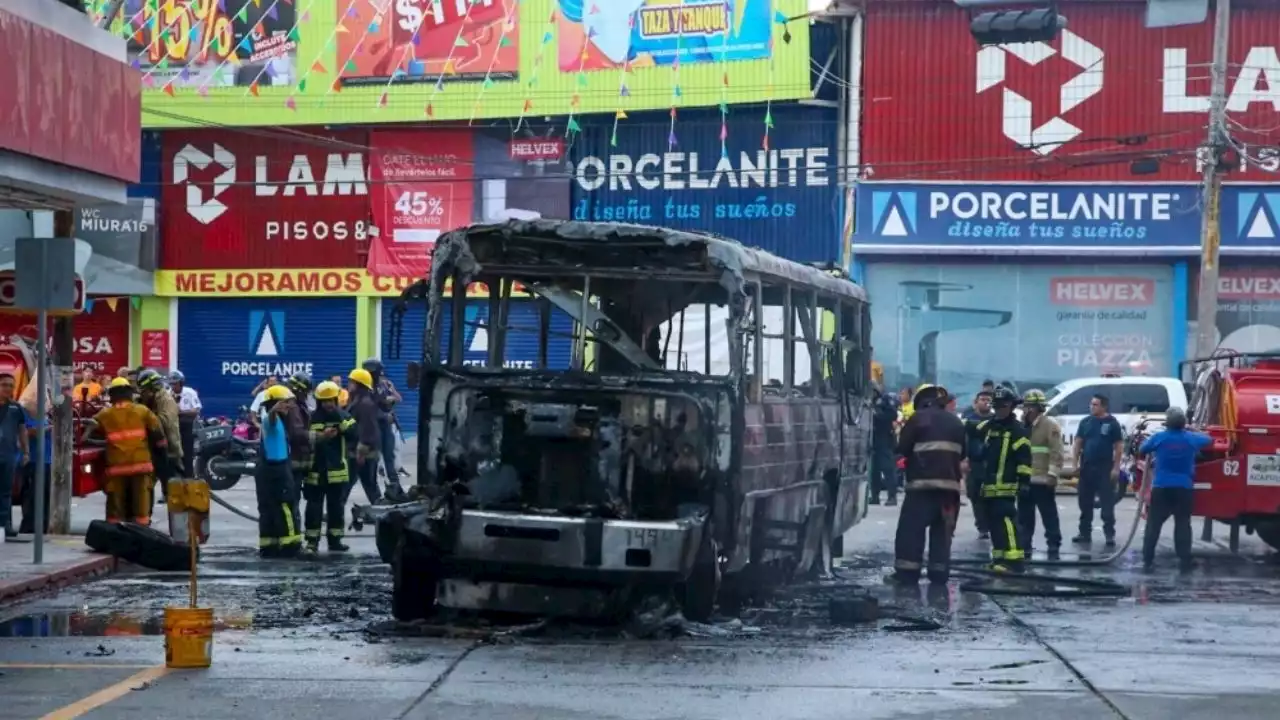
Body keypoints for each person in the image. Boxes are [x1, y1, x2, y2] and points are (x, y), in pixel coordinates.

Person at [890, 384, 967, 585]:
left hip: (921, 488)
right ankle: (939, 574)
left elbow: (902, 448)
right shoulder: (956, 422)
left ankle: (907, 574)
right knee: (942, 532)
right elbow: (964, 453)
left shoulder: (918, 419)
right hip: (950, 490)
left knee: (911, 530)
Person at [83, 378, 168, 525]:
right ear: (130, 393)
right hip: (141, 466)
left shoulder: (105, 414)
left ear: (112, 395)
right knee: (141, 502)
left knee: (116, 506)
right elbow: (158, 434)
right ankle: (142, 528)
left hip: (117, 468)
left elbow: (89, 430)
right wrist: (163, 456)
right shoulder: (142, 411)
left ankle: (115, 531)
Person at [965, 386, 1032, 572]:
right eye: (997, 406)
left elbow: (1024, 459)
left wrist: (1024, 482)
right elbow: (971, 427)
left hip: (1007, 486)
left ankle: (1015, 561)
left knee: (1007, 522)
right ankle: (999, 558)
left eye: (1003, 406)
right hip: (989, 485)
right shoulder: (990, 426)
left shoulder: (1018, 430)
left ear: (1011, 406)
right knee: (994, 524)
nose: (999, 410)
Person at [1138, 407, 1210, 572]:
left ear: (1167, 423)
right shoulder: (1191, 439)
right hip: (1183, 488)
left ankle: (1147, 558)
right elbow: (1208, 440)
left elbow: (1143, 449)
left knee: (1153, 525)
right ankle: (1184, 559)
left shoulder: (1159, 438)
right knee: (1183, 524)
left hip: (1162, 487)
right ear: (1183, 423)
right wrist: (1192, 429)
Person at [304, 381, 357, 553]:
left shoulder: (344, 416)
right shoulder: (312, 418)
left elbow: (355, 433)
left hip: (337, 471)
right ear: (319, 402)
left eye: (331, 400)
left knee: (336, 509)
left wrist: (341, 426)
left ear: (336, 400)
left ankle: (335, 541)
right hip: (315, 472)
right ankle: (312, 542)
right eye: (324, 401)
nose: (328, 404)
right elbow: (305, 439)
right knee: (313, 509)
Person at [255, 384, 305, 557]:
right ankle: (291, 545)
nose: (289, 407)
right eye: (285, 403)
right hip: (277, 470)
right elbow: (271, 418)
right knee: (286, 506)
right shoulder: (270, 420)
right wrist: (274, 410)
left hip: (270, 470)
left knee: (270, 509)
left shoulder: (279, 423)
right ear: (274, 404)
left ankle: (270, 546)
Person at [1072, 393, 1124, 548]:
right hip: (1087, 467)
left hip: (1104, 468)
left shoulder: (1112, 423)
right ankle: (1084, 533)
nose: (1091, 407)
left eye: (1095, 404)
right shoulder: (1086, 422)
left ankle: (1109, 534)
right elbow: (1078, 444)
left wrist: (1116, 468)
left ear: (1103, 407)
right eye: (1091, 404)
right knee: (1085, 503)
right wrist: (1075, 464)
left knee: (1107, 504)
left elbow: (1119, 447)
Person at [1018, 389, 1064, 557]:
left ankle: (1053, 543)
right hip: (1025, 479)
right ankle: (1024, 544)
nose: (1025, 410)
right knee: (1024, 515)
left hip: (1043, 480)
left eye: (1029, 407)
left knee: (1048, 514)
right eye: (1025, 407)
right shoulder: (1023, 426)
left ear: (1038, 408)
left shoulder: (1049, 425)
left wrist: (1053, 474)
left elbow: (1056, 452)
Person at [137, 369, 183, 504]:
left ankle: (176, 499)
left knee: (172, 477)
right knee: (155, 477)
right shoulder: (153, 399)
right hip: (156, 446)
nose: (142, 394)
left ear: (152, 388)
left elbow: (165, 421)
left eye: (144, 390)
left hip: (169, 447)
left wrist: (144, 417)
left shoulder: (165, 399)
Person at [364, 359, 407, 500]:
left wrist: (389, 403)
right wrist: (384, 415)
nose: (381, 375)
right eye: (378, 372)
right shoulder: (365, 389)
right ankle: (375, 494)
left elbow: (386, 401)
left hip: (385, 427)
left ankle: (396, 488)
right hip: (373, 428)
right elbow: (369, 409)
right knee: (373, 463)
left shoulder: (381, 385)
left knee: (389, 457)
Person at [346, 368, 385, 505]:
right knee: (351, 483)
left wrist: (361, 451)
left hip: (363, 452)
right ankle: (336, 508)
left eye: (351, 382)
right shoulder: (359, 401)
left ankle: (381, 510)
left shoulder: (364, 404)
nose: (348, 384)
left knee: (368, 484)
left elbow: (367, 429)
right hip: (358, 451)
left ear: (359, 385)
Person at [961, 390, 994, 538]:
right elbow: (964, 440)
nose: (985, 402)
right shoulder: (969, 419)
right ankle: (982, 526)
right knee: (974, 495)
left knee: (989, 496)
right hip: (974, 463)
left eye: (988, 399)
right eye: (982, 399)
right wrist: (964, 459)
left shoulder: (995, 420)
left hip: (991, 463)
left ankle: (988, 524)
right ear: (976, 402)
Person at [0, 373, 28, 539]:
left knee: (5, 492)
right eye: (4, 385)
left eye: (11, 385)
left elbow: (22, 430)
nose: (8, 389)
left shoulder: (16, 408)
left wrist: (26, 452)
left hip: (8, 456)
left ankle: (4, 525)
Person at [870, 383, 900, 506]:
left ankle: (892, 496)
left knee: (888, 469)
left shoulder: (884, 401)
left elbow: (893, 415)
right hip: (872, 439)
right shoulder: (867, 402)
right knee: (874, 470)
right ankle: (875, 496)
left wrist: (877, 416)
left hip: (884, 438)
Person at [171, 370, 201, 478]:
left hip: (187, 425)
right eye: (172, 384)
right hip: (173, 426)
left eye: (175, 384)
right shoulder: (169, 393)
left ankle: (189, 478)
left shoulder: (190, 392)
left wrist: (181, 412)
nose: (173, 387)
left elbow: (196, 411)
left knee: (187, 455)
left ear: (181, 383)